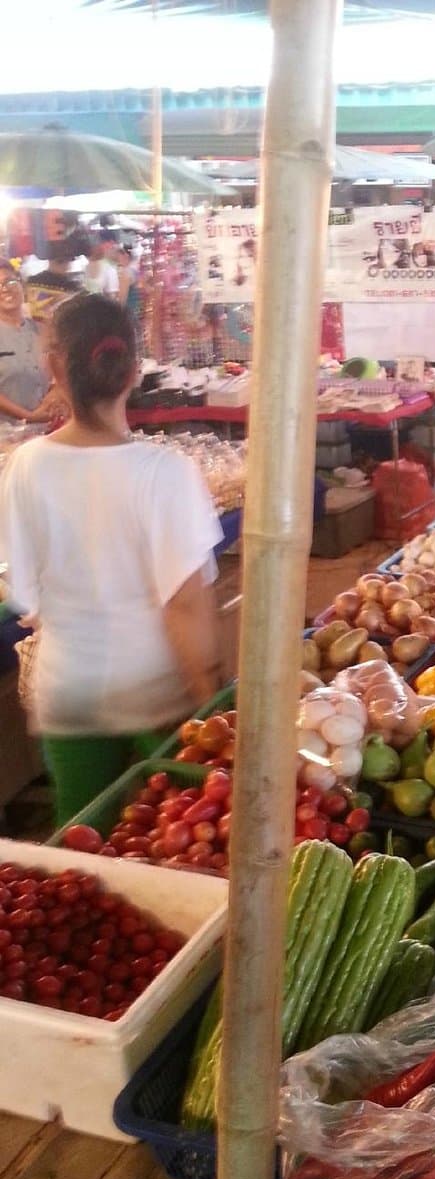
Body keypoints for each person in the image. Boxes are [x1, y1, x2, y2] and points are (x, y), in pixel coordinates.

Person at [0, 294, 223, 824]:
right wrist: (209, 700)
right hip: (156, 693)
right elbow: (187, 606)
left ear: (56, 368)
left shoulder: (25, 465)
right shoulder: (166, 473)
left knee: (84, 845)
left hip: (69, 692)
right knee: (175, 837)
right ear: (134, 372)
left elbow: (22, 596)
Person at [0, 260, 62, 423]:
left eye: (10, 281)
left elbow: (60, 373)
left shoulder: (42, 330)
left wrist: (52, 397)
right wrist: (28, 416)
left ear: (22, 285)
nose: (5, 288)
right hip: (5, 435)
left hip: (46, 430)